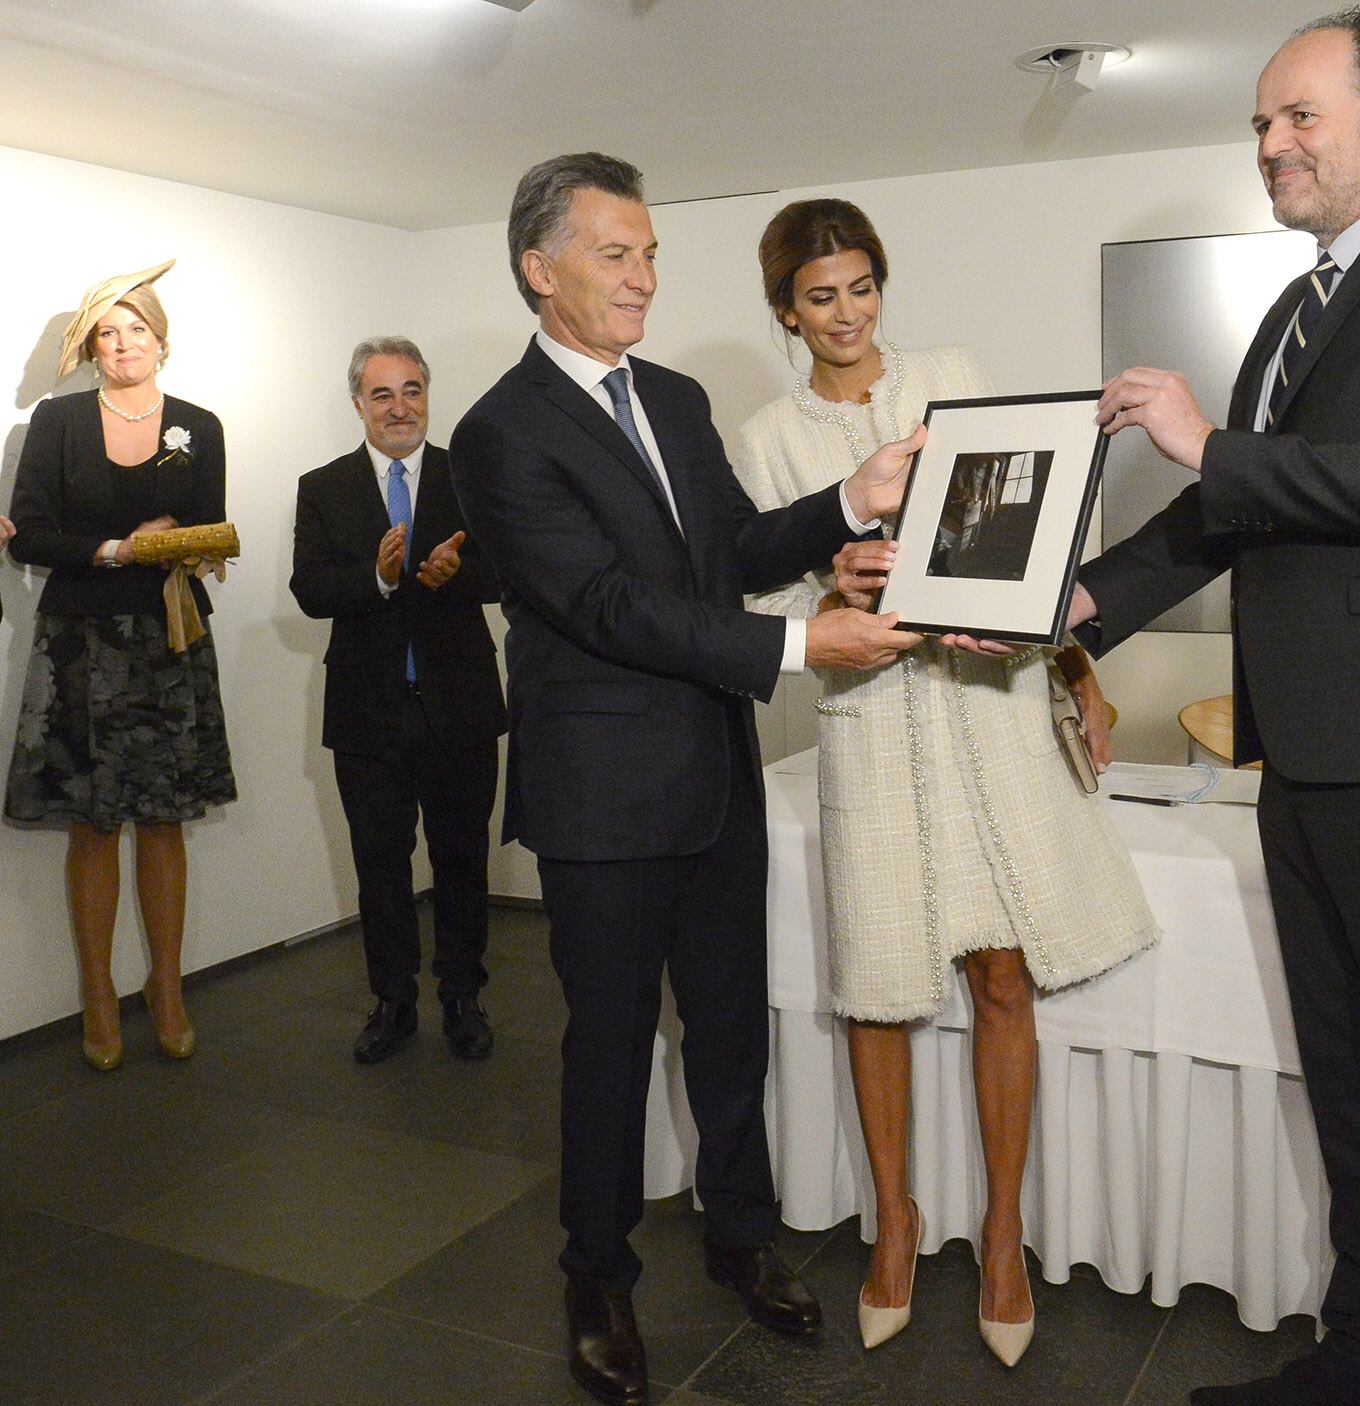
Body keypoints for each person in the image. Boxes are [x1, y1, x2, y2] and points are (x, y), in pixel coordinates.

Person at [1033, 12, 1360, 1404]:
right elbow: (1228, 509)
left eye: (1300, 117)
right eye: (1260, 123)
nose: (1269, 143)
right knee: (1357, 1091)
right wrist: (1068, 606)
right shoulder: (1290, 311)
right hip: (1315, 754)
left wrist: (1212, 440)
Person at [447, 152, 924, 1406]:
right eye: (617, 254)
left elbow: (728, 552)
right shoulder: (499, 433)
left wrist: (847, 501)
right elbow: (604, 606)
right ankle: (595, 1275)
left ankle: (742, 1232)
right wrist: (798, 643)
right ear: (539, 270)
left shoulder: (673, 395)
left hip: (714, 767)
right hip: (602, 794)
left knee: (728, 1030)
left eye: (651, 252)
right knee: (607, 1045)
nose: (645, 276)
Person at [734, 198, 1157, 1367]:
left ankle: (1007, 1235)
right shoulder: (767, 437)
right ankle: (894, 1225)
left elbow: (1031, 538)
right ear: (785, 309)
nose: (848, 312)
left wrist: (1072, 657)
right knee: (876, 980)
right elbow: (757, 604)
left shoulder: (954, 377)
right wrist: (836, 580)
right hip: (870, 725)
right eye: (821, 296)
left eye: (862, 286)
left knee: (1003, 970)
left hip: (989, 709)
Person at [5, 260, 237, 1072]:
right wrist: (114, 548)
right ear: (92, 347)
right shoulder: (56, 425)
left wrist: (183, 537)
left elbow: (214, 530)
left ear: (161, 342)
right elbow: (28, 533)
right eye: (108, 331)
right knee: (94, 823)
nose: (123, 343)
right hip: (79, 643)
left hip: (171, 640)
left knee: (165, 819)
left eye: (137, 328)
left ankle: (165, 990)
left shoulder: (200, 425)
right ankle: (99, 995)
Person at [291, 337, 507, 1064]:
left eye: (412, 390)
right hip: (368, 714)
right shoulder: (322, 487)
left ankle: (461, 996)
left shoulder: (467, 475)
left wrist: (459, 571)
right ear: (358, 403)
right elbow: (310, 589)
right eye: (382, 394)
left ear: (427, 396)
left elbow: (509, 571)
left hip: (461, 707)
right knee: (380, 868)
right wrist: (380, 579)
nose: (399, 407)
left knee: (462, 861)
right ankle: (392, 1001)